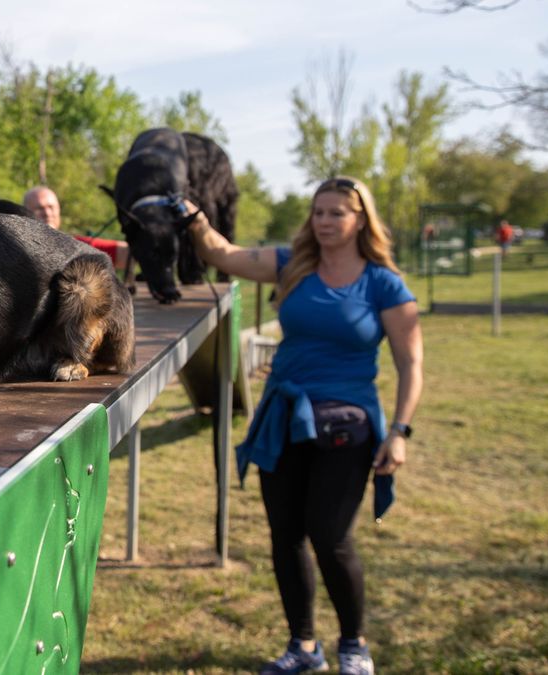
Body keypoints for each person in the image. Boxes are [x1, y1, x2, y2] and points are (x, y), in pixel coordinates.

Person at [183, 177, 423, 675]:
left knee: (330, 535)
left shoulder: (383, 283)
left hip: (348, 425)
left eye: (337, 212)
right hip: (284, 419)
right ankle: (303, 646)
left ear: (361, 219)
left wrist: (399, 431)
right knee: (285, 534)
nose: (326, 221)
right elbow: (224, 255)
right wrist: (193, 219)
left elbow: (411, 364)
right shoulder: (292, 264)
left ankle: (354, 645)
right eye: (318, 212)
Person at [22, 186, 130, 270]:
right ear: (24, 213)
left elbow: (127, 254)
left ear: (59, 210)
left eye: (51, 207)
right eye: (40, 208)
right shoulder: (17, 249)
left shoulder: (77, 246)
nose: (47, 213)